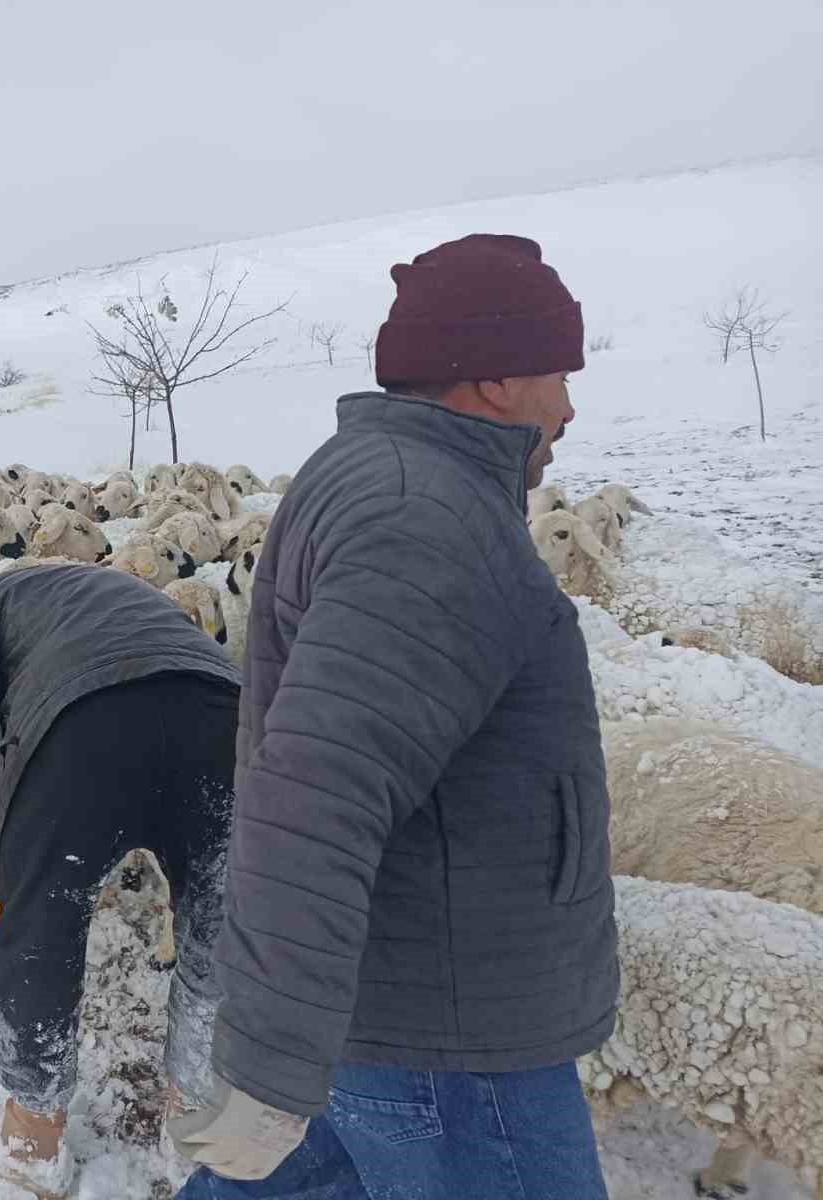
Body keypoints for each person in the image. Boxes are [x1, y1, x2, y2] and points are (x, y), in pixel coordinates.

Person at [171, 234, 618, 1200]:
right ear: (495, 377)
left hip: (393, 998)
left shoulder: (383, 477)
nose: (571, 406)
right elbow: (319, 788)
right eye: (558, 372)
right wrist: (272, 1065)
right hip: (454, 1041)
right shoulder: (428, 516)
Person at [0, 563, 241, 1200]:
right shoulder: (128, 597)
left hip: (85, 731)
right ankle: (199, 1114)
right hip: (224, 721)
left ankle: (29, 1137)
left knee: (40, 928)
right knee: (221, 923)